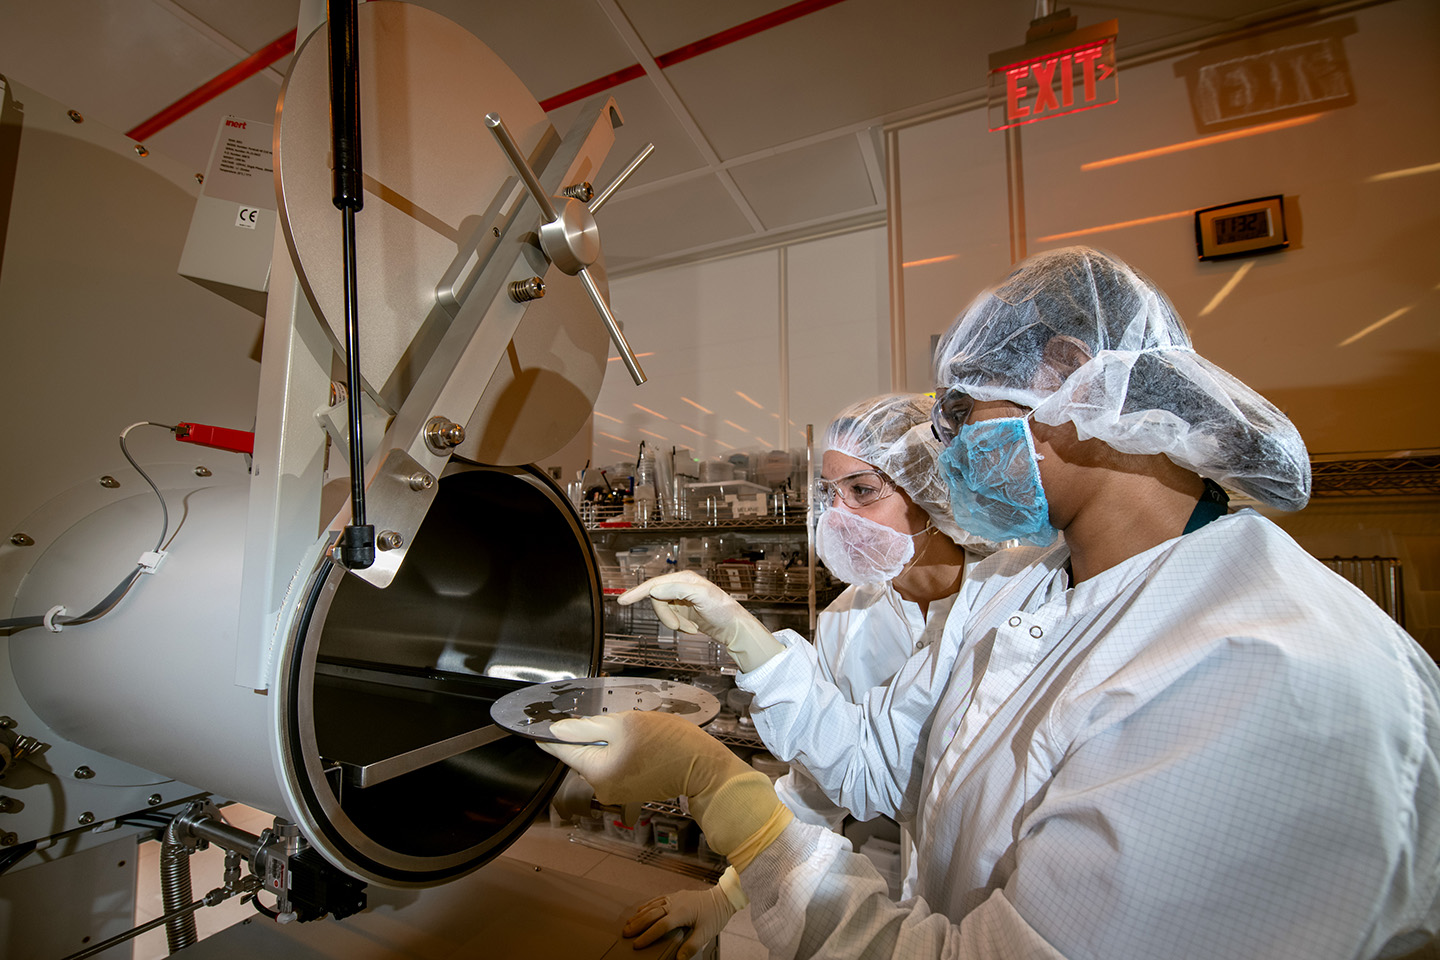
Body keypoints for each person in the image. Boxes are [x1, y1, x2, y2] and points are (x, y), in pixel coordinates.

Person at [543, 246, 1440, 959]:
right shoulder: (1016, 585)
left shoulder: (1259, 663)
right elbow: (880, 769)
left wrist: (727, 798)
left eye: (961, 414)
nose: (946, 450)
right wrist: (748, 642)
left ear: (1065, 382)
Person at [618, 393, 995, 958]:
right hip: (913, 874)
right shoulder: (847, 621)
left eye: (862, 491)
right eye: (829, 494)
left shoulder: (1006, 600)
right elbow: (820, 784)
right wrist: (726, 896)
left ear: (930, 487)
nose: (837, 516)